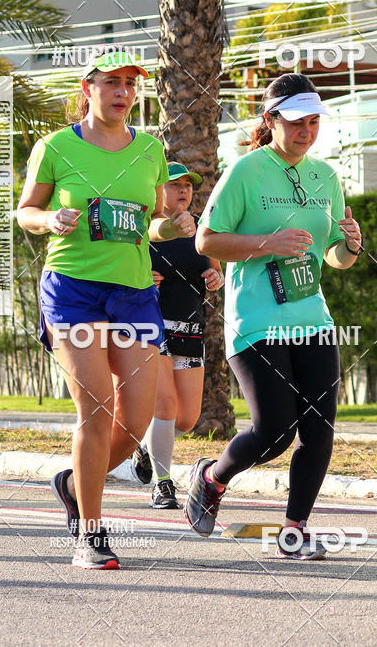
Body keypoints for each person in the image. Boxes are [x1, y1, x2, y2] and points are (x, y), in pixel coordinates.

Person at [17, 49, 195, 570]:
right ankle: (90, 534)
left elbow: (154, 220)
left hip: (134, 292)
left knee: (136, 419)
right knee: (94, 411)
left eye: (129, 84)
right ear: (88, 88)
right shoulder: (54, 146)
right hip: (73, 289)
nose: (122, 92)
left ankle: (75, 483)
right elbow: (25, 210)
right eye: (111, 82)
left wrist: (174, 228)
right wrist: (49, 220)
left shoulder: (149, 149)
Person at [184, 72, 364, 560]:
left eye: (313, 121)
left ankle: (295, 530)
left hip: (312, 318)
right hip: (256, 319)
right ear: (270, 120)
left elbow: (333, 257)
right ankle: (211, 477)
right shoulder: (246, 171)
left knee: (319, 428)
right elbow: (206, 240)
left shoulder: (326, 176)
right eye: (295, 121)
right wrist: (267, 244)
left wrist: (350, 246)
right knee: (275, 431)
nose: (306, 131)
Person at [130, 162, 224, 508]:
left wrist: (216, 280)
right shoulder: (144, 229)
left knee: (186, 418)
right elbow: (121, 269)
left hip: (191, 327)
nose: (183, 190)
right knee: (165, 405)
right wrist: (142, 279)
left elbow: (214, 272)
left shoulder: (202, 229)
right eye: (174, 185)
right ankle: (163, 483)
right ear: (157, 190)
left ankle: (143, 445)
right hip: (152, 325)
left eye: (188, 185)